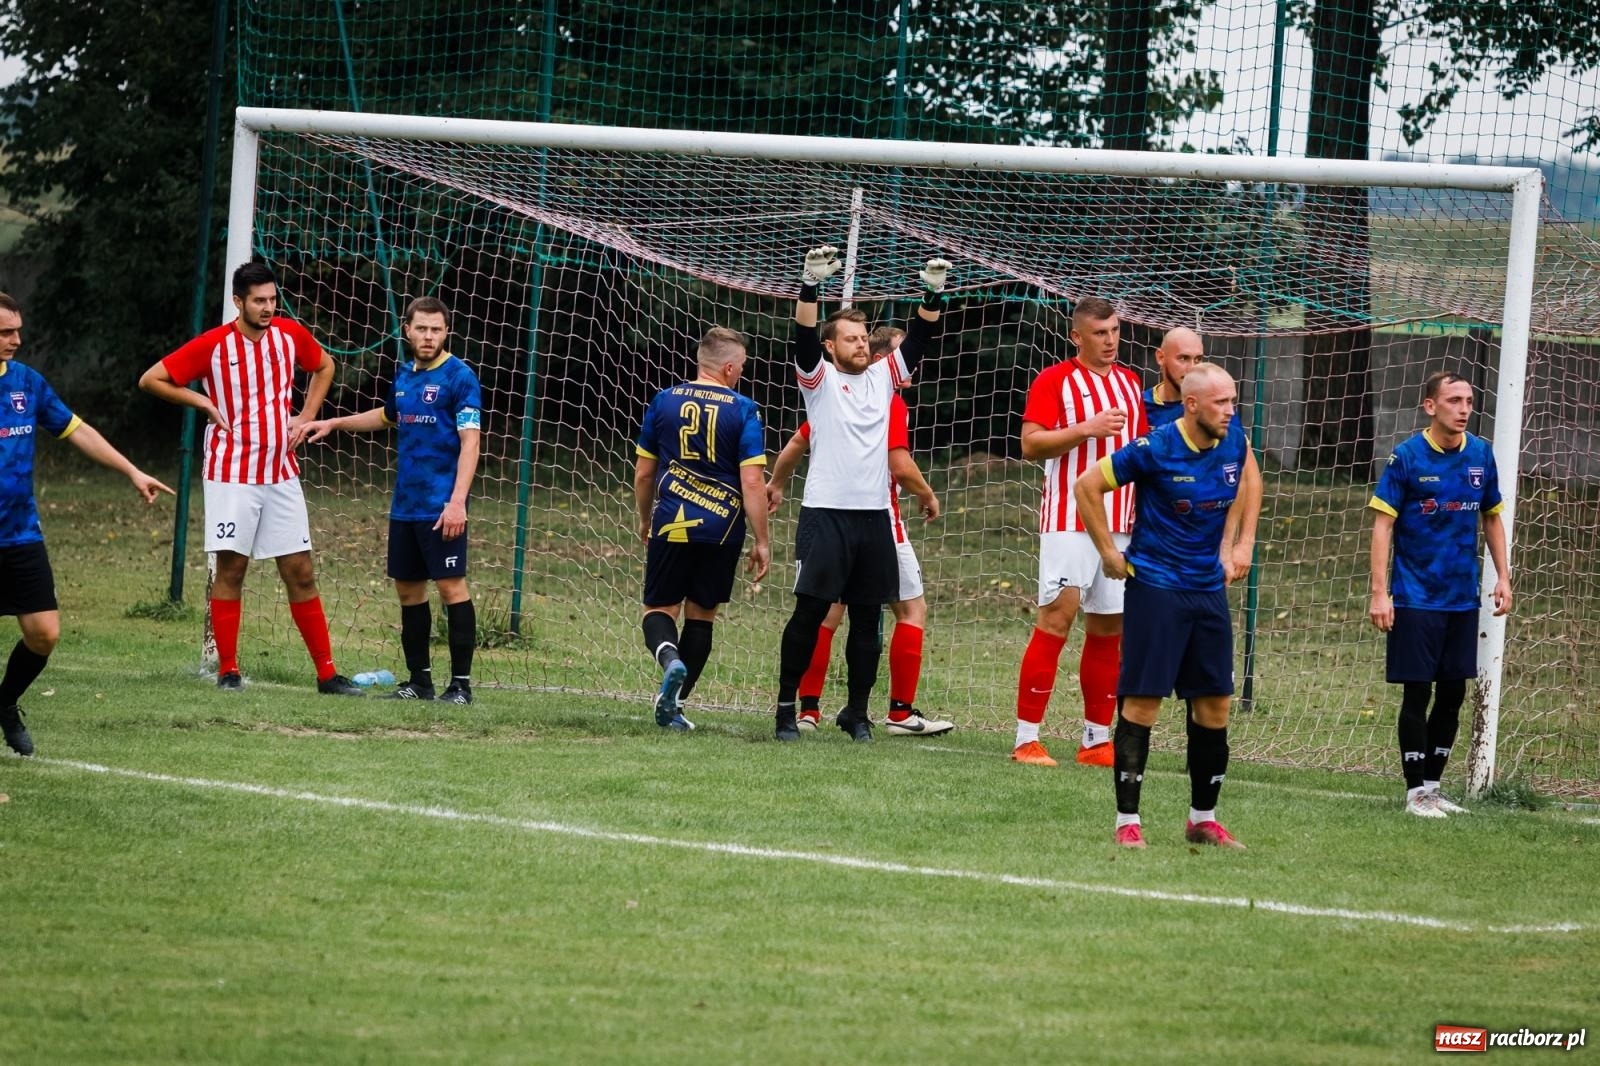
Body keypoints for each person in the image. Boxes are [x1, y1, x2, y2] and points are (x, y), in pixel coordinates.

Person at [138, 262, 362, 695]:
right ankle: (228, 670)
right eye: (259, 300)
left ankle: (327, 675)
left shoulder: (289, 335)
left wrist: (307, 416)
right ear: (238, 301)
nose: (268, 307)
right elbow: (152, 379)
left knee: (300, 571)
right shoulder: (213, 345)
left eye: (273, 299)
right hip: (231, 474)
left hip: (280, 471)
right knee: (232, 567)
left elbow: (325, 366)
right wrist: (202, 402)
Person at [1075, 362, 1261, 849]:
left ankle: (1203, 819)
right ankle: (1127, 823)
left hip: (1207, 591)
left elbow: (1241, 482)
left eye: (1233, 400)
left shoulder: (1234, 441)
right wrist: (1109, 553)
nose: (1230, 410)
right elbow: (1086, 487)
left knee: (1215, 705)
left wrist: (1232, 545)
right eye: (1221, 402)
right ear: (1192, 404)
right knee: (1143, 703)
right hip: (1156, 589)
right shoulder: (1154, 447)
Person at [772, 247, 948, 742]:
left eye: (864, 337)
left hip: (873, 518)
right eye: (849, 338)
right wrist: (810, 284)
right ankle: (788, 710)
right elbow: (803, 336)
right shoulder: (818, 379)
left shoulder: (883, 378)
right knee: (809, 613)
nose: (861, 345)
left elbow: (920, 339)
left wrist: (931, 293)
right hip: (825, 514)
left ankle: (857, 713)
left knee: (868, 621)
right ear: (831, 347)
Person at [0, 293, 174, 756]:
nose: (16, 339)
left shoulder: (27, 384)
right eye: (5, 332)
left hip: (20, 535)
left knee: (44, 634)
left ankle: (4, 703)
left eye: (17, 330)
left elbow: (78, 431)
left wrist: (132, 471)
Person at [297, 297, 484, 705]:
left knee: (452, 588)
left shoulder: (460, 378)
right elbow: (386, 416)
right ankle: (420, 682)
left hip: (441, 507)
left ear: (446, 331)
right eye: (421, 328)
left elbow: (471, 442)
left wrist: (457, 502)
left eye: (436, 329)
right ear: (407, 330)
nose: (428, 336)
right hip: (405, 507)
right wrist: (334, 422)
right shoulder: (403, 375)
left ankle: (461, 686)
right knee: (409, 592)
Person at [1367, 370, 1511, 818]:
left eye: (1468, 400)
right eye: (1453, 400)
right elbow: (1382, 525)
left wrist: (1503, 577)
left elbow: (1491, 518)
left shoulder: (1481, 456)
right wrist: (1379, 593)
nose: (1464, 408)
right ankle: (1415, 794)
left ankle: (1432, 787)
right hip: (1415, 598)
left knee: (1453, 694)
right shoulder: (1407, 458)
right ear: (1431, 406)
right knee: (1418, 694)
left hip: (1461, 598)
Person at [1013, 297, 1147, 768]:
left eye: (1114, 331)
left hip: (1120, 524)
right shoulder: (1055, 380)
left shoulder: (1132, 384)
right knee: (1057, 620)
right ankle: (1026, 739)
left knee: (1109, 629)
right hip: (1069, 521)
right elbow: (1031, 444)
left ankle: (1095, 741)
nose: (1111, 340)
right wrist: (1085, 429)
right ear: (1078, 337)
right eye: (1100, 333)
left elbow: (1140, 454)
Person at [633, 326, 771, 731]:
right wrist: (762, 540)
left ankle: (668, 659)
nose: (742, 373)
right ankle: (673, 706)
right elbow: (751, 482)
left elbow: (644, 474)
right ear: (728, 368)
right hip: (723, 528)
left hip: (672, 522)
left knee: (659, 609)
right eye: (742, 367)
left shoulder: (663, 401)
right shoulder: (744, 409)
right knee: (701, 616)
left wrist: (645, 519)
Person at [1143, 326, 1205, 429]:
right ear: (1161, 357)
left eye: (1198, 359)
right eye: (1183, 358)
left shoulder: (1211, 407)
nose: (1192, 368)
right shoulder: (1140, 405)